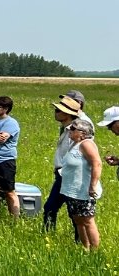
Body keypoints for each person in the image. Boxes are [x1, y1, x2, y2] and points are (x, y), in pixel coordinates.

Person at [46, 93, 91, 237]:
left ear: (67, 114)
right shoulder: (66, 128)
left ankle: (80, 242)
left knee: (75, 212)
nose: (55, 112)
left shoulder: (77, 131)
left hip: (70, 176)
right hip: (62, 174)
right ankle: (48, 236)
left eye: (58, 110)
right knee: (50, 208)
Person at [60, 119, 103, 250]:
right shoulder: (75, 144)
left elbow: (97, 164)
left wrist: (92, 186)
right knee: (78, 219)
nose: (69, 131)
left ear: (83, 133)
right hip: (72, 190)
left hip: (84, 191)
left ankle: (95, 252)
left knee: (88, 220)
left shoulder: (86, 144)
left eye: (73, 129)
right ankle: (85, 248)